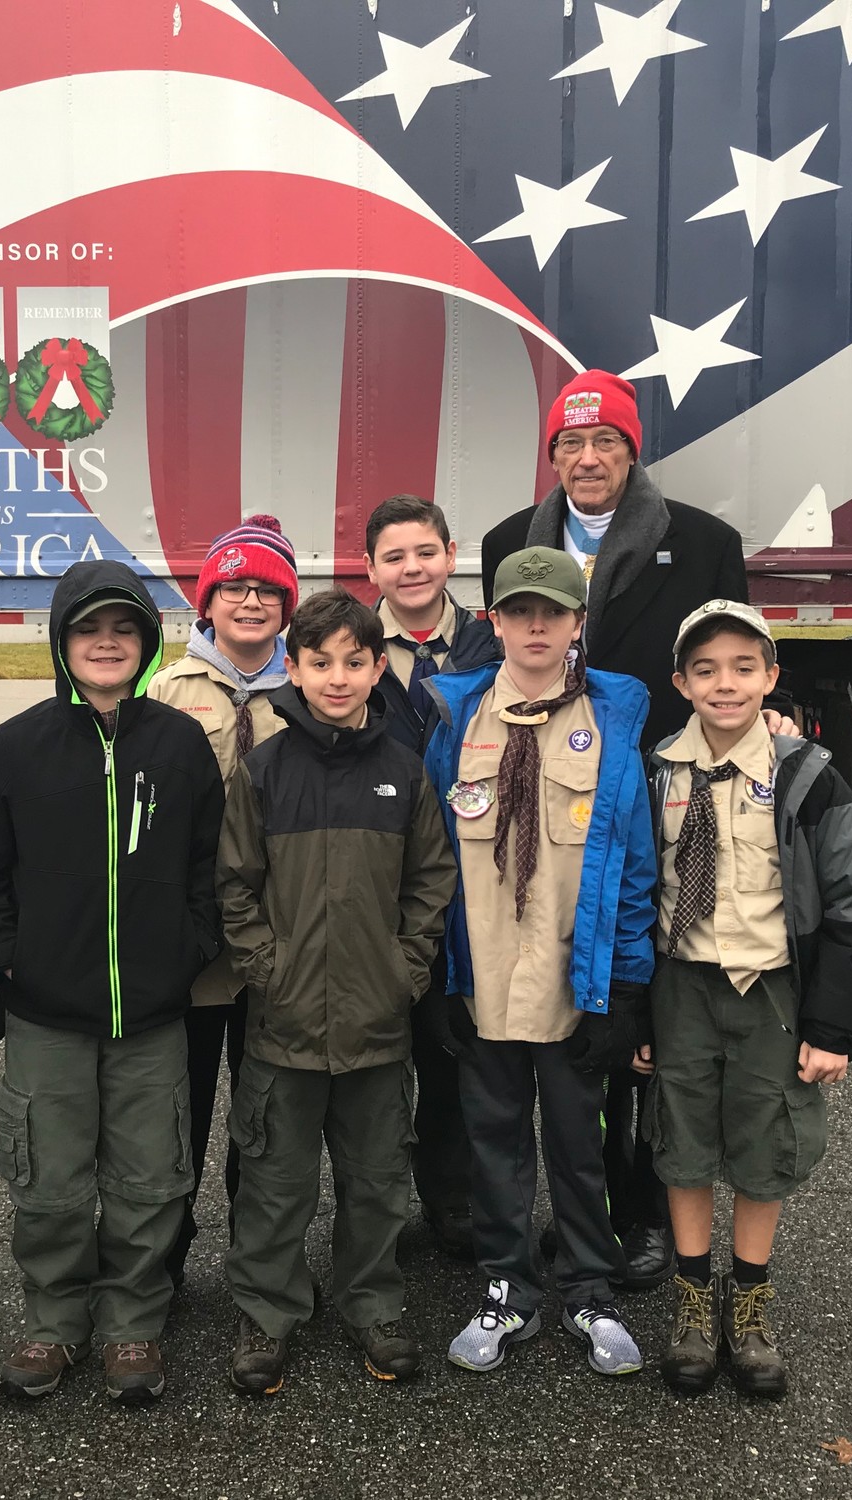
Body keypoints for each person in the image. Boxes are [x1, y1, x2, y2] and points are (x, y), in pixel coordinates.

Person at [480, 370, 751, 1289]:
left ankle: (630, 1215)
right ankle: (521, 1216)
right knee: (536, 1010)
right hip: (543, 810)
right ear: (551, 455)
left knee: (628, 1023)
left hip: (654, 811)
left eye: (605, 444)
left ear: (633, 454)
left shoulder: (703, 544)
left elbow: (729, 659)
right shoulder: (505, 544)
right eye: (569, 444)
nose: (586, 459)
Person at [0, 560, 225, 1406]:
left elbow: (210, 866)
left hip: (150, 1014)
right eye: (88, 630)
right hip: (46, 1016)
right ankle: (54, 1321)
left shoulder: (176, 744)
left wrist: (186, 949)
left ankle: (132, 1324)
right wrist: (11, 958)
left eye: (124, 630)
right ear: (63, 643)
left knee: (149, 1177)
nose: (106, 643)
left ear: (144, 645)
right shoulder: (18, 745)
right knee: (51, 1182)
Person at [639, 599, 852, 1398]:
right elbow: (632, 889)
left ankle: (745, 1301)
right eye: (705, 670)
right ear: (680, 681)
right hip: (680, 984)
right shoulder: (656, 771)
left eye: (744, 668)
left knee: (765, 1141)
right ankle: (688, 1296)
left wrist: (831, 1027)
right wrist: (634, 1013)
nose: (725, 684)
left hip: (770, 994)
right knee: (679, 1138)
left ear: (771, 677)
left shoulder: (806, 775)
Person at [218, 588, 457, 1396]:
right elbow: (235, 887)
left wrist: (406, 969)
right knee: (275, 1181)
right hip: (282, 1022)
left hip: (376, 1022)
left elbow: (430, 881)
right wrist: (268, 969)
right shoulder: (263, 770)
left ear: (376, 666)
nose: (337, 677)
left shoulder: (402, 772)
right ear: (294, 667)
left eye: (355, 662)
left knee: (376, 1179)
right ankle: (268, 1312)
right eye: (319, 662)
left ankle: (373, 1304)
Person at [424, 547, 655, 1380]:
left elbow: (631, 869)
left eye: (551, 612)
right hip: (482, 977)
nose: (533, 625)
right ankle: (505, 1285)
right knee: (491, 1139)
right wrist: (440, 979)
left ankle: (589, 1286)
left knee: (577, 1140)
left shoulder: (614, 720)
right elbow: (433, 862)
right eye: (517, 611)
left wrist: (625, 988)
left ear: (575, 624)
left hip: (572, 981)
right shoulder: (455, 720)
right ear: (492, 621)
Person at [146, 515, 298, 1285]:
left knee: (265, 1116)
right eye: (235, 586)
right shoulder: (166, 692)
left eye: (268, 589)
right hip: (196, 947)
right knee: (181, 1110)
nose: (250, 601)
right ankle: (160, 1260)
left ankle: (259, 1260)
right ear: (208, 601)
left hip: (280, 940)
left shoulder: (306, 694)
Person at [364, 494, 500, 1258]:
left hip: (471, 880)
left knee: (454, 1052)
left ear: (451, 554)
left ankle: (453, 1200)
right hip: (378, 880)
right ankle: (374, 1208)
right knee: (379, 1061)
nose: (411, 568)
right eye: (394, 556)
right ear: (370, 568)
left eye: (424, 552)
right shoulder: (352, 647)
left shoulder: (490, 645)